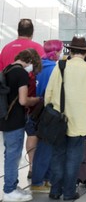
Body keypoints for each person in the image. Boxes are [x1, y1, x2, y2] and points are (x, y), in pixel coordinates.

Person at [45, 36, 86, 200]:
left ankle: (55, 190)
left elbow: (48, 94)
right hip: (80, 121)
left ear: (70, 51)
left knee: (58, 155)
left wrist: (52, 109)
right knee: (74, 157)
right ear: (84, 53)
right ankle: (69, 192)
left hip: (59, 119)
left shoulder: (60, 66)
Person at [0, 18, 45, 179]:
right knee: (32, 135)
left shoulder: (5, 49)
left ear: (17, 31)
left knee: (11, 147)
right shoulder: (37, 48)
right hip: (30, 102)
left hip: (8, 105)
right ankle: (32, 167)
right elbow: (42, 72)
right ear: (32, 33)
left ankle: (12, 179)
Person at [0, 49, 41, 202]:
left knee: (9, 153)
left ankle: (12, 186)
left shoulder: (7, 69)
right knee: (13, 155)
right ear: (30, 61)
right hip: (15, 120)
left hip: (5, 118)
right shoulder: (22, 74)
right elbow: (23, 100)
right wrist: (35, 100)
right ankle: (9, 190)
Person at [30, 40, 64, 193]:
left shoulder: (39, 67)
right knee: (46, 148)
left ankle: (44, 179)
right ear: (56, 51)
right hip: (50, 112)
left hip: (37, 112)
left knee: (44, 146)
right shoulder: (54, 70)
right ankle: (38, 181)